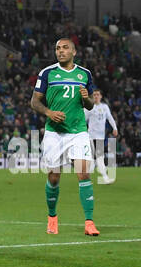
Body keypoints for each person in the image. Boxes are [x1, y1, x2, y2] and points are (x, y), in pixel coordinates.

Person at [27, 37, 99, 236]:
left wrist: (87, 98)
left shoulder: (84, 74)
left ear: (74, 52)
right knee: (54, 177)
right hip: (54, 133)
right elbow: (34, 101)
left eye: (65, 48)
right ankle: (52, 217)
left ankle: (89, 222)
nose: (60, 51)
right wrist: (49, 113)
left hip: (78, 132)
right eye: (57, 48)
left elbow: (91, 104)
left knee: (84, 173)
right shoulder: (48, 73)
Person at [85, 89, 118, 183]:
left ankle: (87, 178)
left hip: (101, 136)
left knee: (92, 158)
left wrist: (114, 128)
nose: (96, 96)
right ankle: (105, 177)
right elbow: (83, 120)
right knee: (99, 157)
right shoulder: (89, 107)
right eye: (94, 95)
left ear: (101, 96)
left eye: (97, 95)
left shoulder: (105, 107)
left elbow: (110, 118)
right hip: (92, 136)